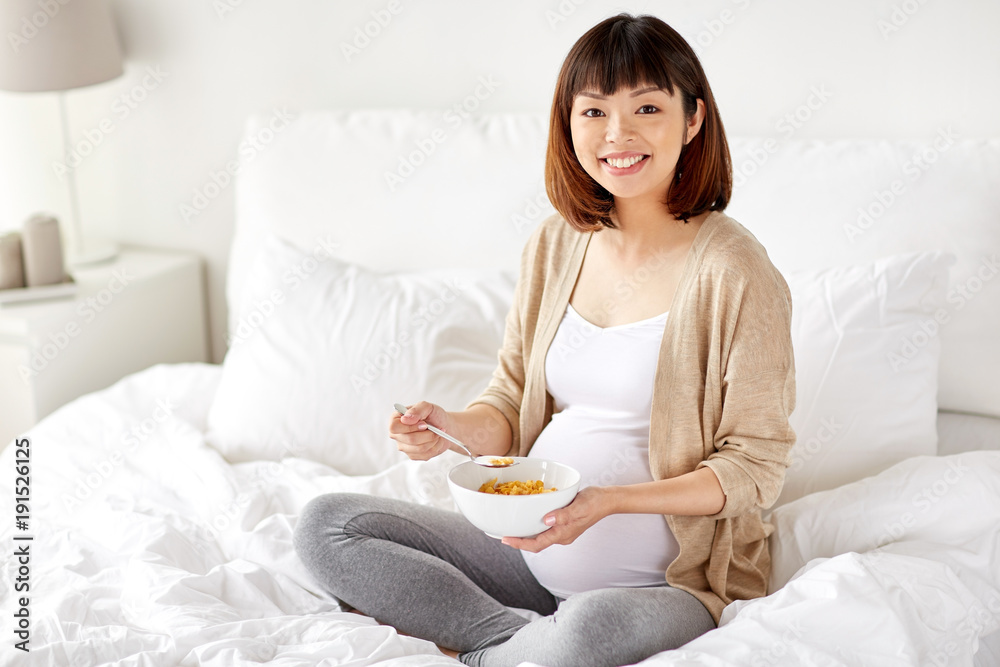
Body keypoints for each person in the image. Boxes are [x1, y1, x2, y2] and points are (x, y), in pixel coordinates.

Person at [293, 12, 796, 667]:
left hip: (663, 585)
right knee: (328, 525)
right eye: (594, 112)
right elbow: (509, 398)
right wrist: (452, 425)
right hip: (529, 549)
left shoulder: (735, 270)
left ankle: (509, 642)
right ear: (568, 123)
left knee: (587, 632)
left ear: (693, 119)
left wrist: (609, 502)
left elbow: (756, 469)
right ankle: (501, 637)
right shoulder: (556, 245)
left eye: (647, 107)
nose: (619, 134)